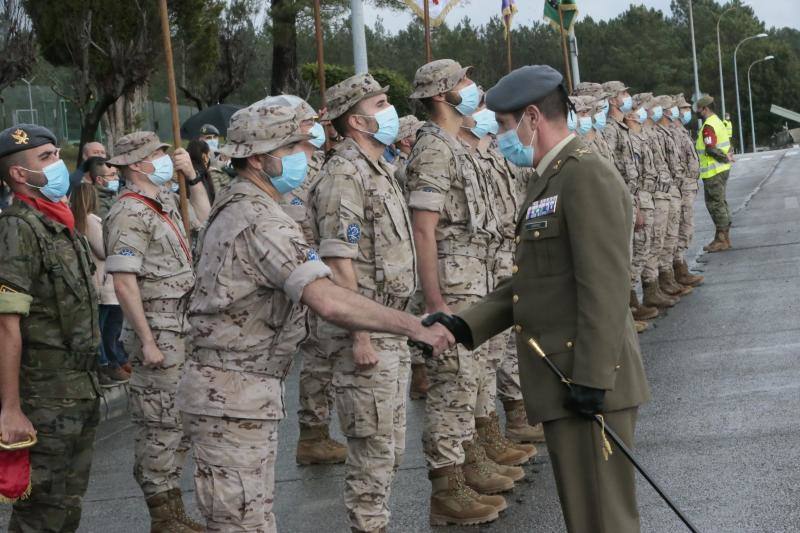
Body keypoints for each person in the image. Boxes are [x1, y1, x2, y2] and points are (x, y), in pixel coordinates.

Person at [175, 101, 453, 533]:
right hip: (230, 393)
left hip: (242, 389)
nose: (307, 154)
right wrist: (416, 326)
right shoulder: (257, 218)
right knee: (240, 522)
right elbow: (328, 299)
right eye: (294, 145)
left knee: (250, 517)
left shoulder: (255, 205)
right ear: (256, 158)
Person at [425, 65, 651, 533]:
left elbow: (605, 286)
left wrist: (591, 380)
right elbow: (538, 279)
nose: (502, 136)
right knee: (586, 518)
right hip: (566, 378)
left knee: (604, 520)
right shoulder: (549, 177)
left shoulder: (584, 174)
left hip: (587, 380)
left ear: (532, 118)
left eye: (506, 126)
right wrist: (464, 325)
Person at [406, 59, 522, 526]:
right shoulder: (433, 148)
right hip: (453, 279)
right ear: (441, 95)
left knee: (477, 371)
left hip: (480, 271)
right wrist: (434, 302)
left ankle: (475, 453)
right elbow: (423, 228)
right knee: (453, 381)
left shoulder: (462, 143)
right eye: (464, 83)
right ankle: (446, 485)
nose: (474, 88)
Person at [309, 72, 419, 533]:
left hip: (389, 328)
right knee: (372, 455)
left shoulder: (379, 169)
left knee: (390, 451)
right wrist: (360, 335)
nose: (388, 110)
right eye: (379, 104)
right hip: (367, 334)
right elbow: (338, 263)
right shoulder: (344, 176)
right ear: (355, 121)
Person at [103, 131, 210, 532]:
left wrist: (194, 177)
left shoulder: (161, 203)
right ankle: (164, 518)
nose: (165, 159)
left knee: (179, 422)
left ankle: (172, 511)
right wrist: (146, 342)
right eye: (157, 155)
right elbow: (124, 281)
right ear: (135, 164)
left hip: (182, 328)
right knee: (160, 425)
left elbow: (207, 220)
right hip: (159, 333)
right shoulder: (129, 212)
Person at [0, 124, 101, 532]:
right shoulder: (18, 228)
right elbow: (7, 325)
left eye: (58, 154)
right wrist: (10, 408)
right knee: (41, 511)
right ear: (20, 176)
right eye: (46, 159)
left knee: (65, 507)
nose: (58, 164)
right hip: (43, 398)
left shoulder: (58, 223)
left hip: (78, 390)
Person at [256, 94, 347, 466]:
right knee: (317, 355)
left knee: (322, 354)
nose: (316, 129)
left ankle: (318, 429)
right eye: (308, 123)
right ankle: (312, 433)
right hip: (297, 273)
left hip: (317, 266)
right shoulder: (286, 170)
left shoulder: (316, 162)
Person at [465, 97, 543, 446]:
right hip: (471, 265)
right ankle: (486, 439)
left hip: (499, 255)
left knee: (500, 349)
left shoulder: (493, 154)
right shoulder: (443, 153)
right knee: (474, 362)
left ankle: (504, 423)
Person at [70, 182, 130, 386]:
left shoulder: (78, 221)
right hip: (104, 284)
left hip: (98, 283)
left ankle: (111, 362)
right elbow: (104, 250)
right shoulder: (91, 221)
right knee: (108, 327)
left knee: (103, 327)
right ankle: (107, 364)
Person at [650, 95, 695, 295]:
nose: (682, 111)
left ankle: (677, 271)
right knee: (659, 239)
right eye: (678, 108)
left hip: (678, 187)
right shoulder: (657, 132)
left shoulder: (675, 130)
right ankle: (659, 283)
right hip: (664, 191)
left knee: (678, 232)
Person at [670, 94, 705, 286]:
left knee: (685, 230)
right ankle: (677, 273)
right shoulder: (671, 131)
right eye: (681, 108)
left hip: (687, 186)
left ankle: (680, 270)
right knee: (677, 231)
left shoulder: (679, 130)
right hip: (679, 187)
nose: (686, 111)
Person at [694, 94, 733, 252]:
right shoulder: (718, 121)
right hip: (721, 169)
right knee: (721, 203)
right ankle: (721, 237)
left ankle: (722, 239)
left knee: (715, 205)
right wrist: (727, 157)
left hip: (714, 171)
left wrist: (724, 157)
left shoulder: (709, 125)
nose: (697, 111)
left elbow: (711, 149)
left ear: (705, 109)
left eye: (698, 109)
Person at [186, 139, 216, 204]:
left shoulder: (185, 173)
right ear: (204, 156)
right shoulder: (200, 176)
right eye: (209, 154)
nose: (210, 157)